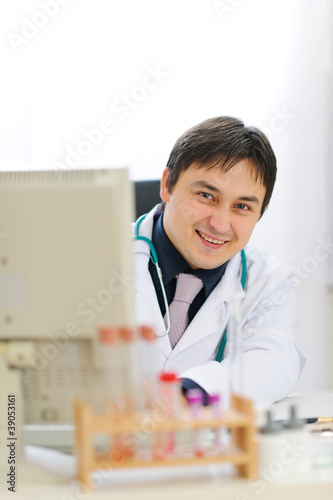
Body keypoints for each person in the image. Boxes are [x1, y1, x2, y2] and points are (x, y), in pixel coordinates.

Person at [133, 116, 306, 407]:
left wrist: (187, 393)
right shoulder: (98, 258)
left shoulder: (268, 282)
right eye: (206, 195)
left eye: (242, 206)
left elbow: (275, 359)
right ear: (167, 185)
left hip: (205, 446)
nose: (220, 224)